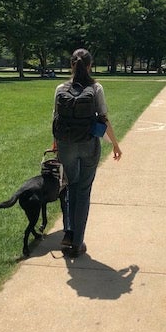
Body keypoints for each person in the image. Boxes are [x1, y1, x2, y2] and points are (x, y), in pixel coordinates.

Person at [53, 48, 122, 257]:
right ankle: (77, 242)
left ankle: (69, 231)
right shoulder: (96, 88)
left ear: (71, 64)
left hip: (66, 144)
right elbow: (103, 118)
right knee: (83, 190)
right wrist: (115, 145)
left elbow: (55, 118)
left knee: (69, 187)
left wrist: (56, 143)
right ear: (90, 65)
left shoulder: (60, 88)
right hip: (89, 144)